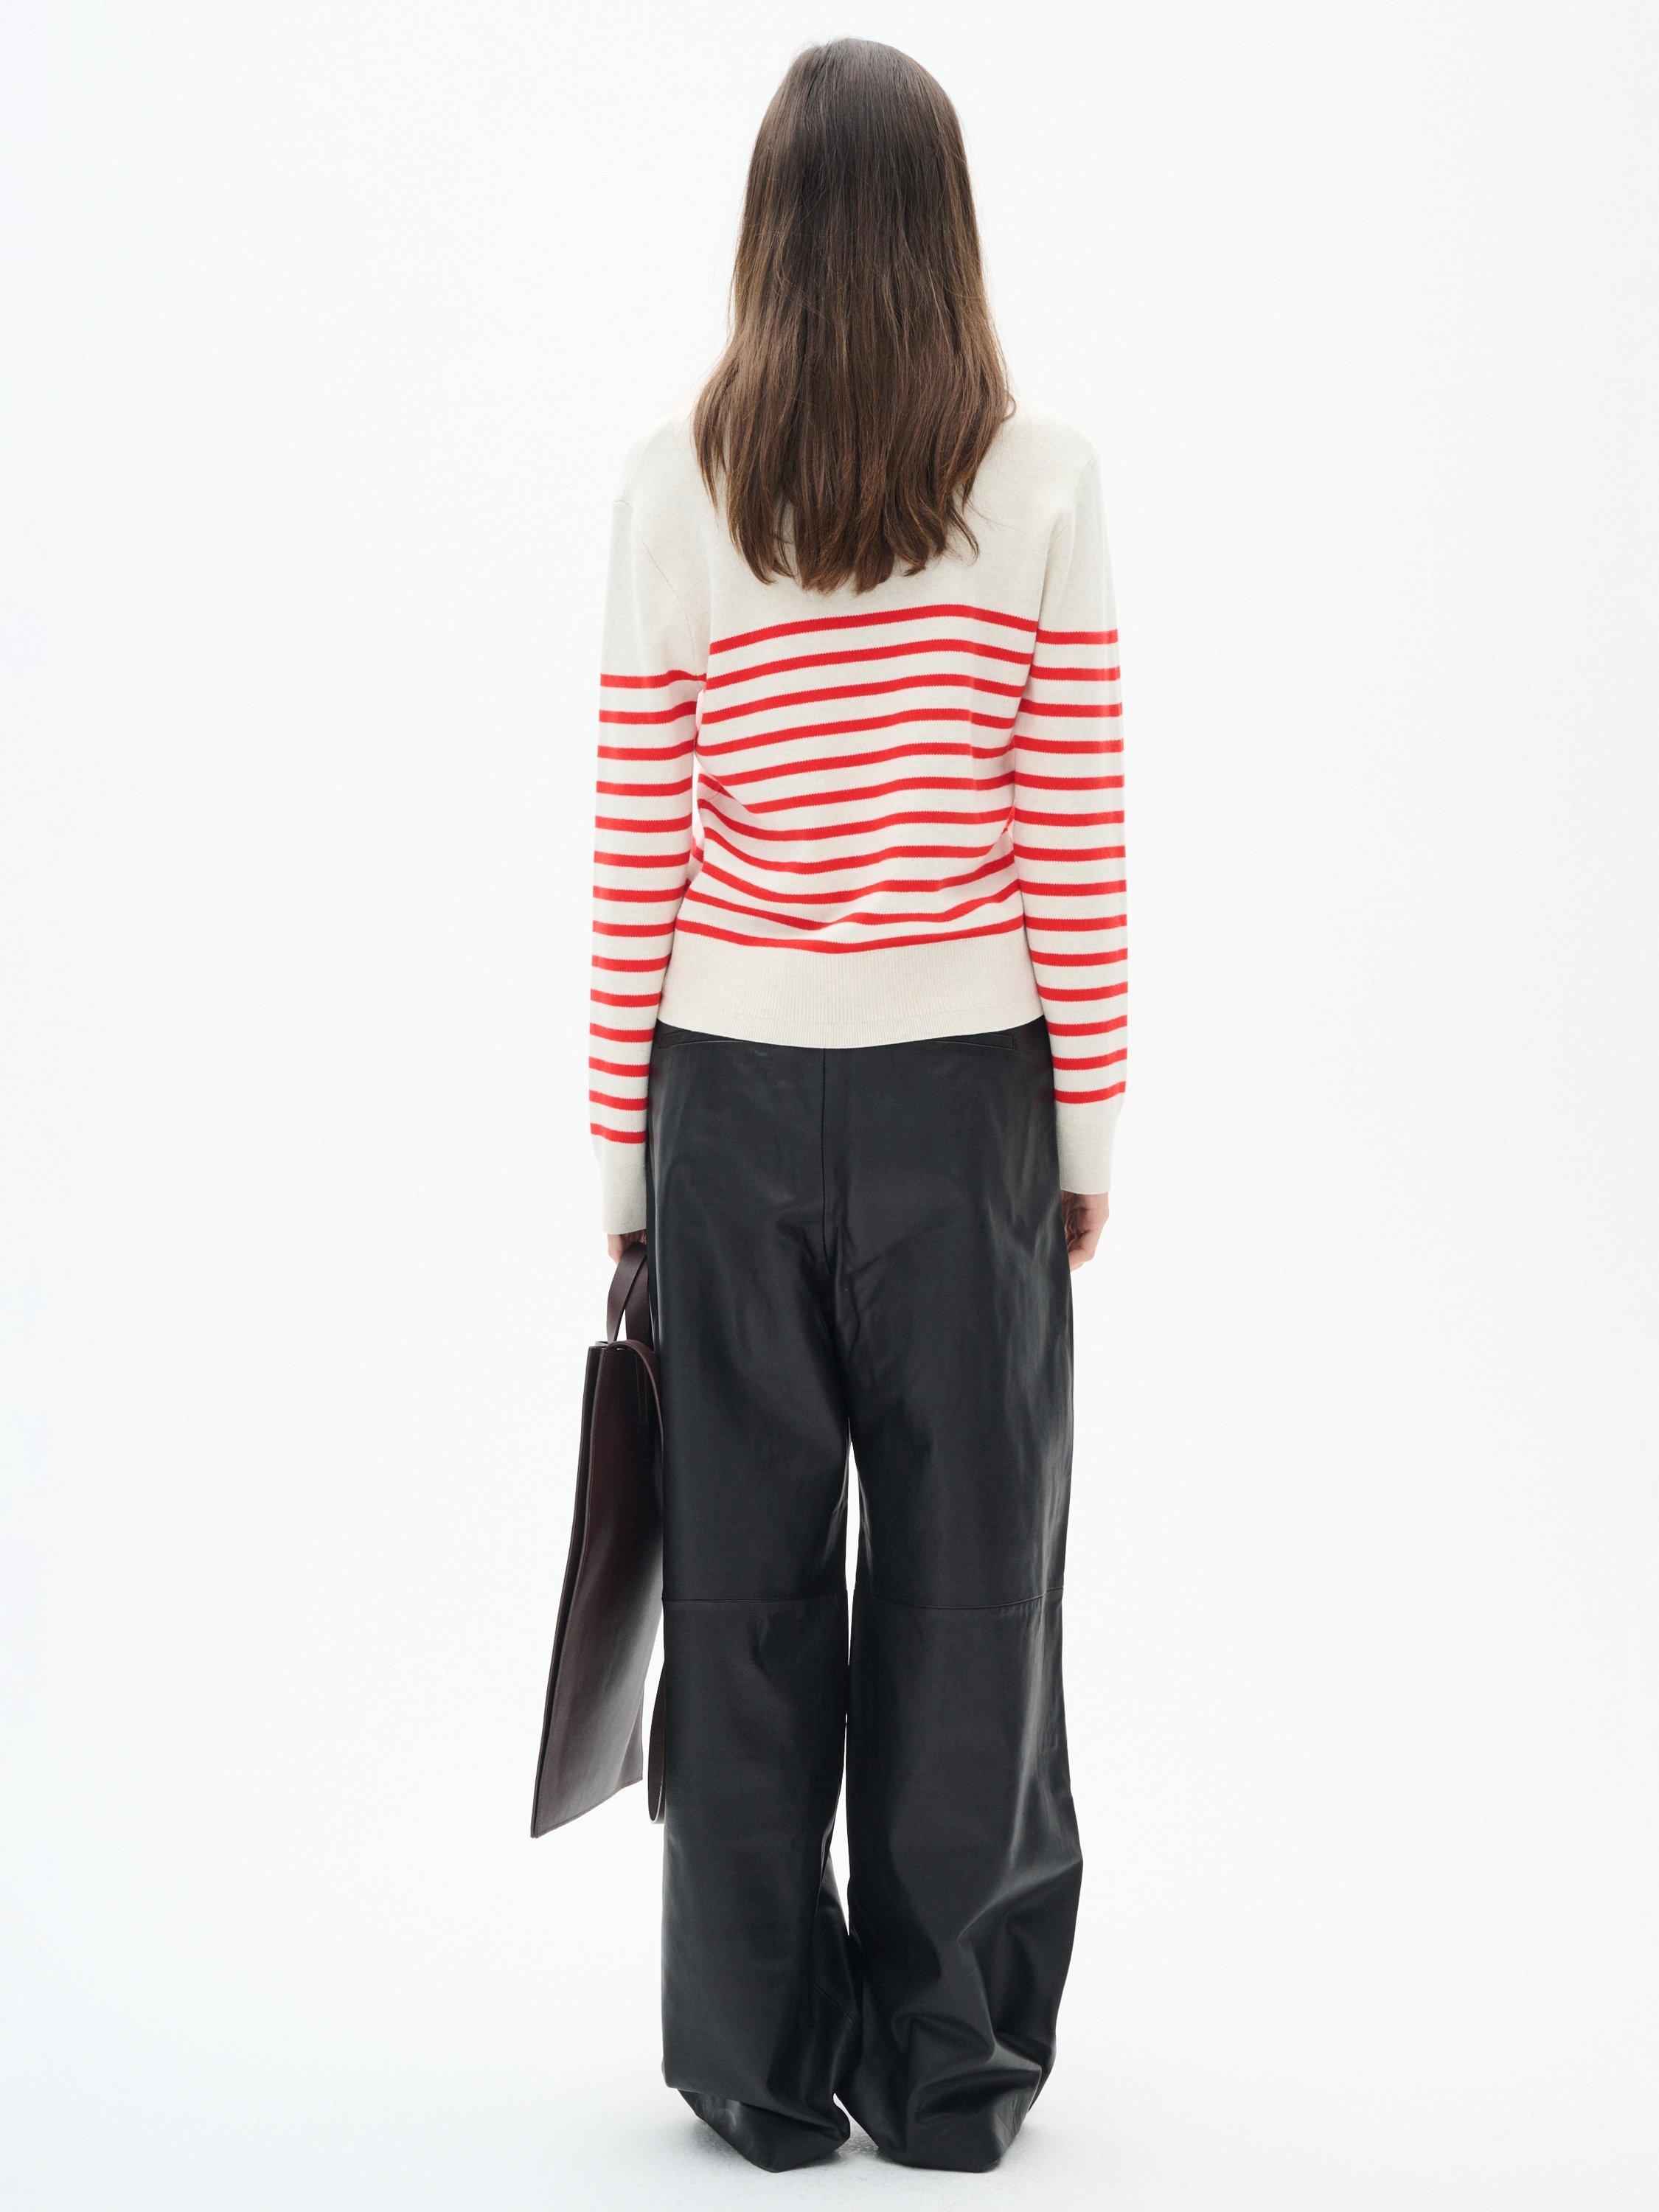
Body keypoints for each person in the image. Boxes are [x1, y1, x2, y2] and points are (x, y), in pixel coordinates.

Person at [585, 38, 1126, 2174]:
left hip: (721, 1101)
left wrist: (620, 1179)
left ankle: (755, 2065)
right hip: (964, 1108)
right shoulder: (1045, 481)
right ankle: (950, 2070)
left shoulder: (674, 484)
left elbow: (638, 848)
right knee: (972, 1589)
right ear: (945, 231)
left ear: (770, 233)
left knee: (738, 1596)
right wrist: (1082, 1143)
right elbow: (1069, 834)